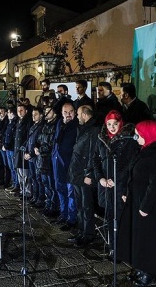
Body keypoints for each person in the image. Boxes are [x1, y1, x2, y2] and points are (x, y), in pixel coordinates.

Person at [124, 120, 156, 286]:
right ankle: (140, 266)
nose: (136, 137)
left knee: (149, 238)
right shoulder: (143, 150)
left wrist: (145, 206)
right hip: (138, 200)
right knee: (139, 237)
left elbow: (155, 183)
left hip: (150, 205)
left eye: (139, 134)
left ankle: (149, 271)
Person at [92, 110, 139, 260]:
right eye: (109, 124)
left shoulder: (128, 140)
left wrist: (114, 179)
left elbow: (129, 164)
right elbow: (95, 160)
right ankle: (113, 247)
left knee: (119, 218)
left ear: (121, 123)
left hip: (120, 186)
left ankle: (121, 249)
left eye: (115, 124)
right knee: (110, 217)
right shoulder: (101, 138)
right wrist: (101, 178)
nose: (112, 127)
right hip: (105, 186)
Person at [68, 104, 101, 248]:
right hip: (77, 174)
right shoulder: (82, 128)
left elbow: (93, 154)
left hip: (85, 175)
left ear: (85, 115)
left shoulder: (94, 130)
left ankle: (88, 234)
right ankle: (81, 231)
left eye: (78, 114)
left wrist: (89, 174)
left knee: (87, 206)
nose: (76, 116)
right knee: (80, 205)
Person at [51, 101, 78, 230]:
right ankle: (63, 213)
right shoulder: (59, 124)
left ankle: (71, 219)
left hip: (69, 165)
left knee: (70, 193)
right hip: (57, 163)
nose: (68, 115)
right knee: (60, 190)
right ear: (61, 113)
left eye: (71, 112)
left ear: (75, 112)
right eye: (65, 112)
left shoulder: (77, 126)